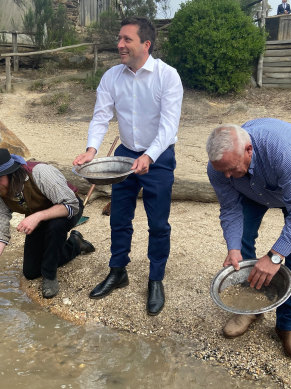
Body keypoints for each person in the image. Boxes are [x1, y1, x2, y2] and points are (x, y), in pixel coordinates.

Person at [72, 17, 183, 316]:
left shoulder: (167, 77)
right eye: (119, 38)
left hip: (158, 158)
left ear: (145, 44)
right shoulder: (112, 77)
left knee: (158, 223)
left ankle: (156, 279)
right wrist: (91, 150)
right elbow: (100, 116)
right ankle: (118, 270)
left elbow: (168, 125)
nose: (119, 44)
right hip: (124, 154)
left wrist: (150, 156)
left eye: (126, 39)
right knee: (119, 217)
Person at [206, 119, 291, 362]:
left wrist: (275, 256)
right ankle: (250, 308)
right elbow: (230, 209)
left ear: (249, 150)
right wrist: (233, 247)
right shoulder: (219, 167)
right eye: (222, 171)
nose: (227, 176)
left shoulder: (283, 153)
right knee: (241, 238)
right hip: (252, 188)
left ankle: (289, 325)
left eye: (232, 168)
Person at [0, 148, 95, 299]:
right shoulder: (0, 194)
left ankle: (50, 276)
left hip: (66, 209)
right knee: (31, 272)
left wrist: (38, 216)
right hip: (37, 216)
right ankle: (75, 244)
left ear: (13, 174)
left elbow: (71, 205)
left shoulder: (40, 173)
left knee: (55, 227)